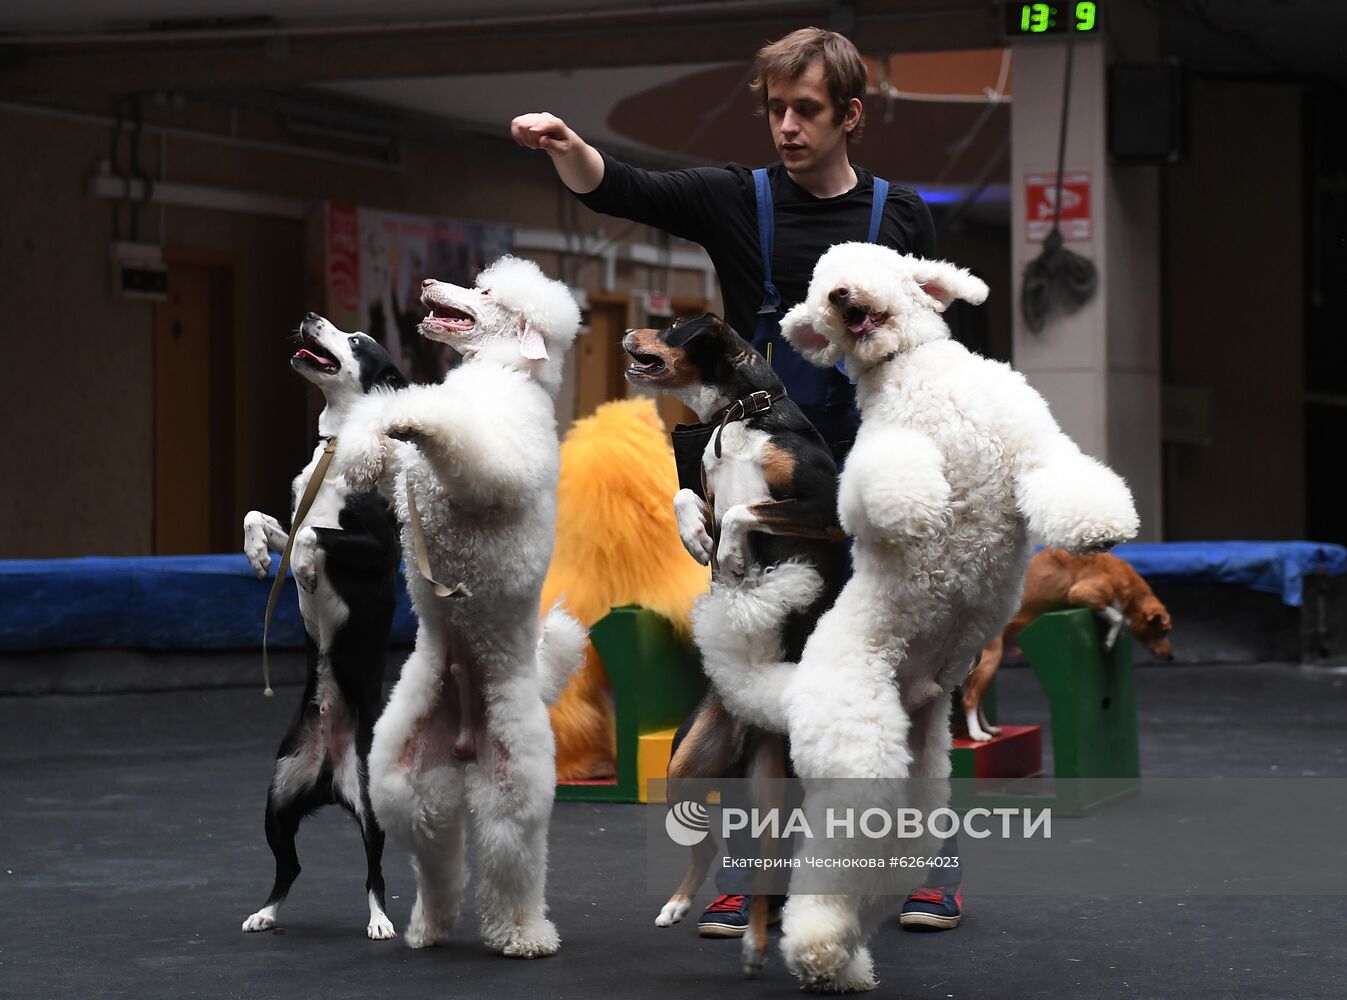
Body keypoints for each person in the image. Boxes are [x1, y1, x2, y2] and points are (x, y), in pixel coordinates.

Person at [512, 26, 962, 934]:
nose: (787, 127)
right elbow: (625, 188)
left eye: (806, 110)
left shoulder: (901, 215)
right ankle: (745, 875)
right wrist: (573, 151)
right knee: (750, 680)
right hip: (758, 484)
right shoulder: (733, 197)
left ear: (850, 116)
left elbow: (941, 352)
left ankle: (924, 866)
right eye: (775, 109)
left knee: (907, 680)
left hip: (870, 483)